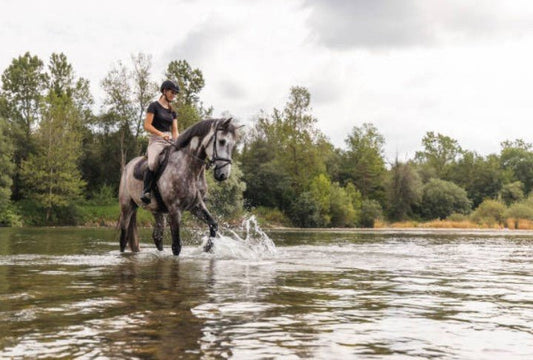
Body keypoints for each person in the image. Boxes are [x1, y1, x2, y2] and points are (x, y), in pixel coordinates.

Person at [140, 80, 180, 204]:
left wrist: (178, 142)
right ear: (164, 91)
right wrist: (161, 134)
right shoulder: (154, 106)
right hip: (156, 140)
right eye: (172, 92)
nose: (174, 95)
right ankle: (146, 191)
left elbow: (175, 130)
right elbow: (147, 125)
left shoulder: (172, 111)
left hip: (169, 141)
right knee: (152, 163)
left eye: (175, 93)